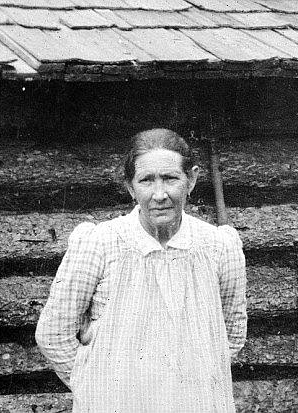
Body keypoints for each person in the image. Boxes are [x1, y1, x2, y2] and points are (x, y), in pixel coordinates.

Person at [36, 128, 247, 412]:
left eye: (171, 178)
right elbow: (53, 333)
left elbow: (232, 334)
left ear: (192, 179)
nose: (159, 194)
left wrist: (192, 383)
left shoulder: (219, 246)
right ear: (130, 186)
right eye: (146, 180)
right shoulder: (100, 243)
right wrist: (99, 386)